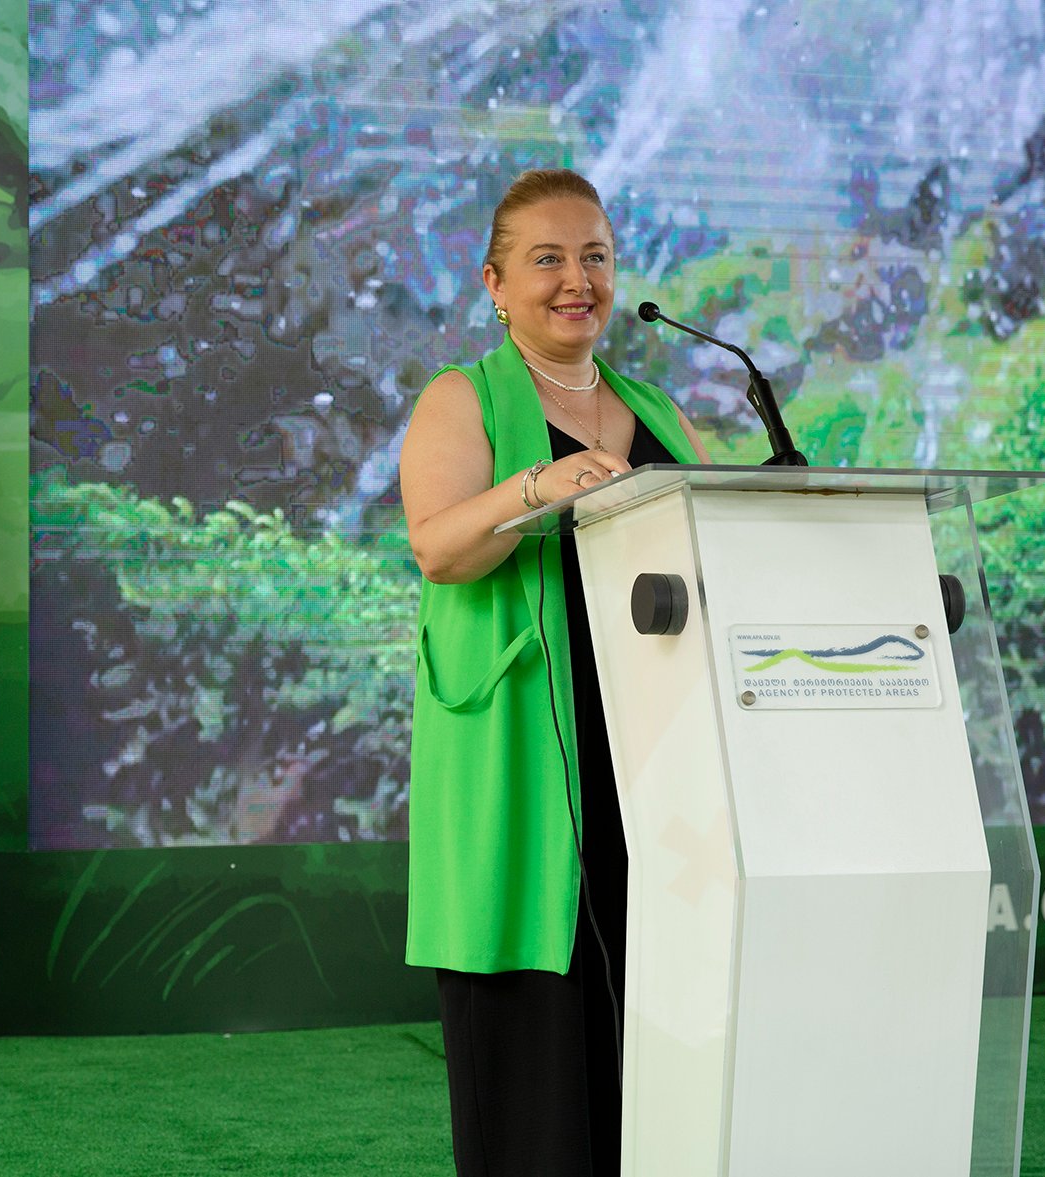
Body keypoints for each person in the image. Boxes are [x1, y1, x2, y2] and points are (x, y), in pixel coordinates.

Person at [400, 168, 711, 1177]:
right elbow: (440, 548)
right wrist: (537, 484)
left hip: (654, 764)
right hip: (526, 762)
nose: (577, 280)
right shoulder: (463, 398)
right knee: (532, 1056)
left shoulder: (655, 406)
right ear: (495, 283)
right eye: (548, 259)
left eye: (595, 257)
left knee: (654, 1057)